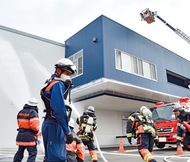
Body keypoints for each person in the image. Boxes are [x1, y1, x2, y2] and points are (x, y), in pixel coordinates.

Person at [40, 58, 77, 162]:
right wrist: (67, 131)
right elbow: (59, 109)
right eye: (67, 73)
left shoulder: (50, 82)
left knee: (50, 157)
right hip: (55, 124)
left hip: (49, 123)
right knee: (57, 158)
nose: (68, 76)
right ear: (58, 71)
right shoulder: (57, 84)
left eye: (70, 75)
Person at [13, 97, 40, 162]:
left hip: (20, 135)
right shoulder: (33, 113)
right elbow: (35, 126)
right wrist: (36, 133)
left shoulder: (20, 112)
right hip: (29, 136)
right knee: (33, 153)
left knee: (20, 152)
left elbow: (19, 122)